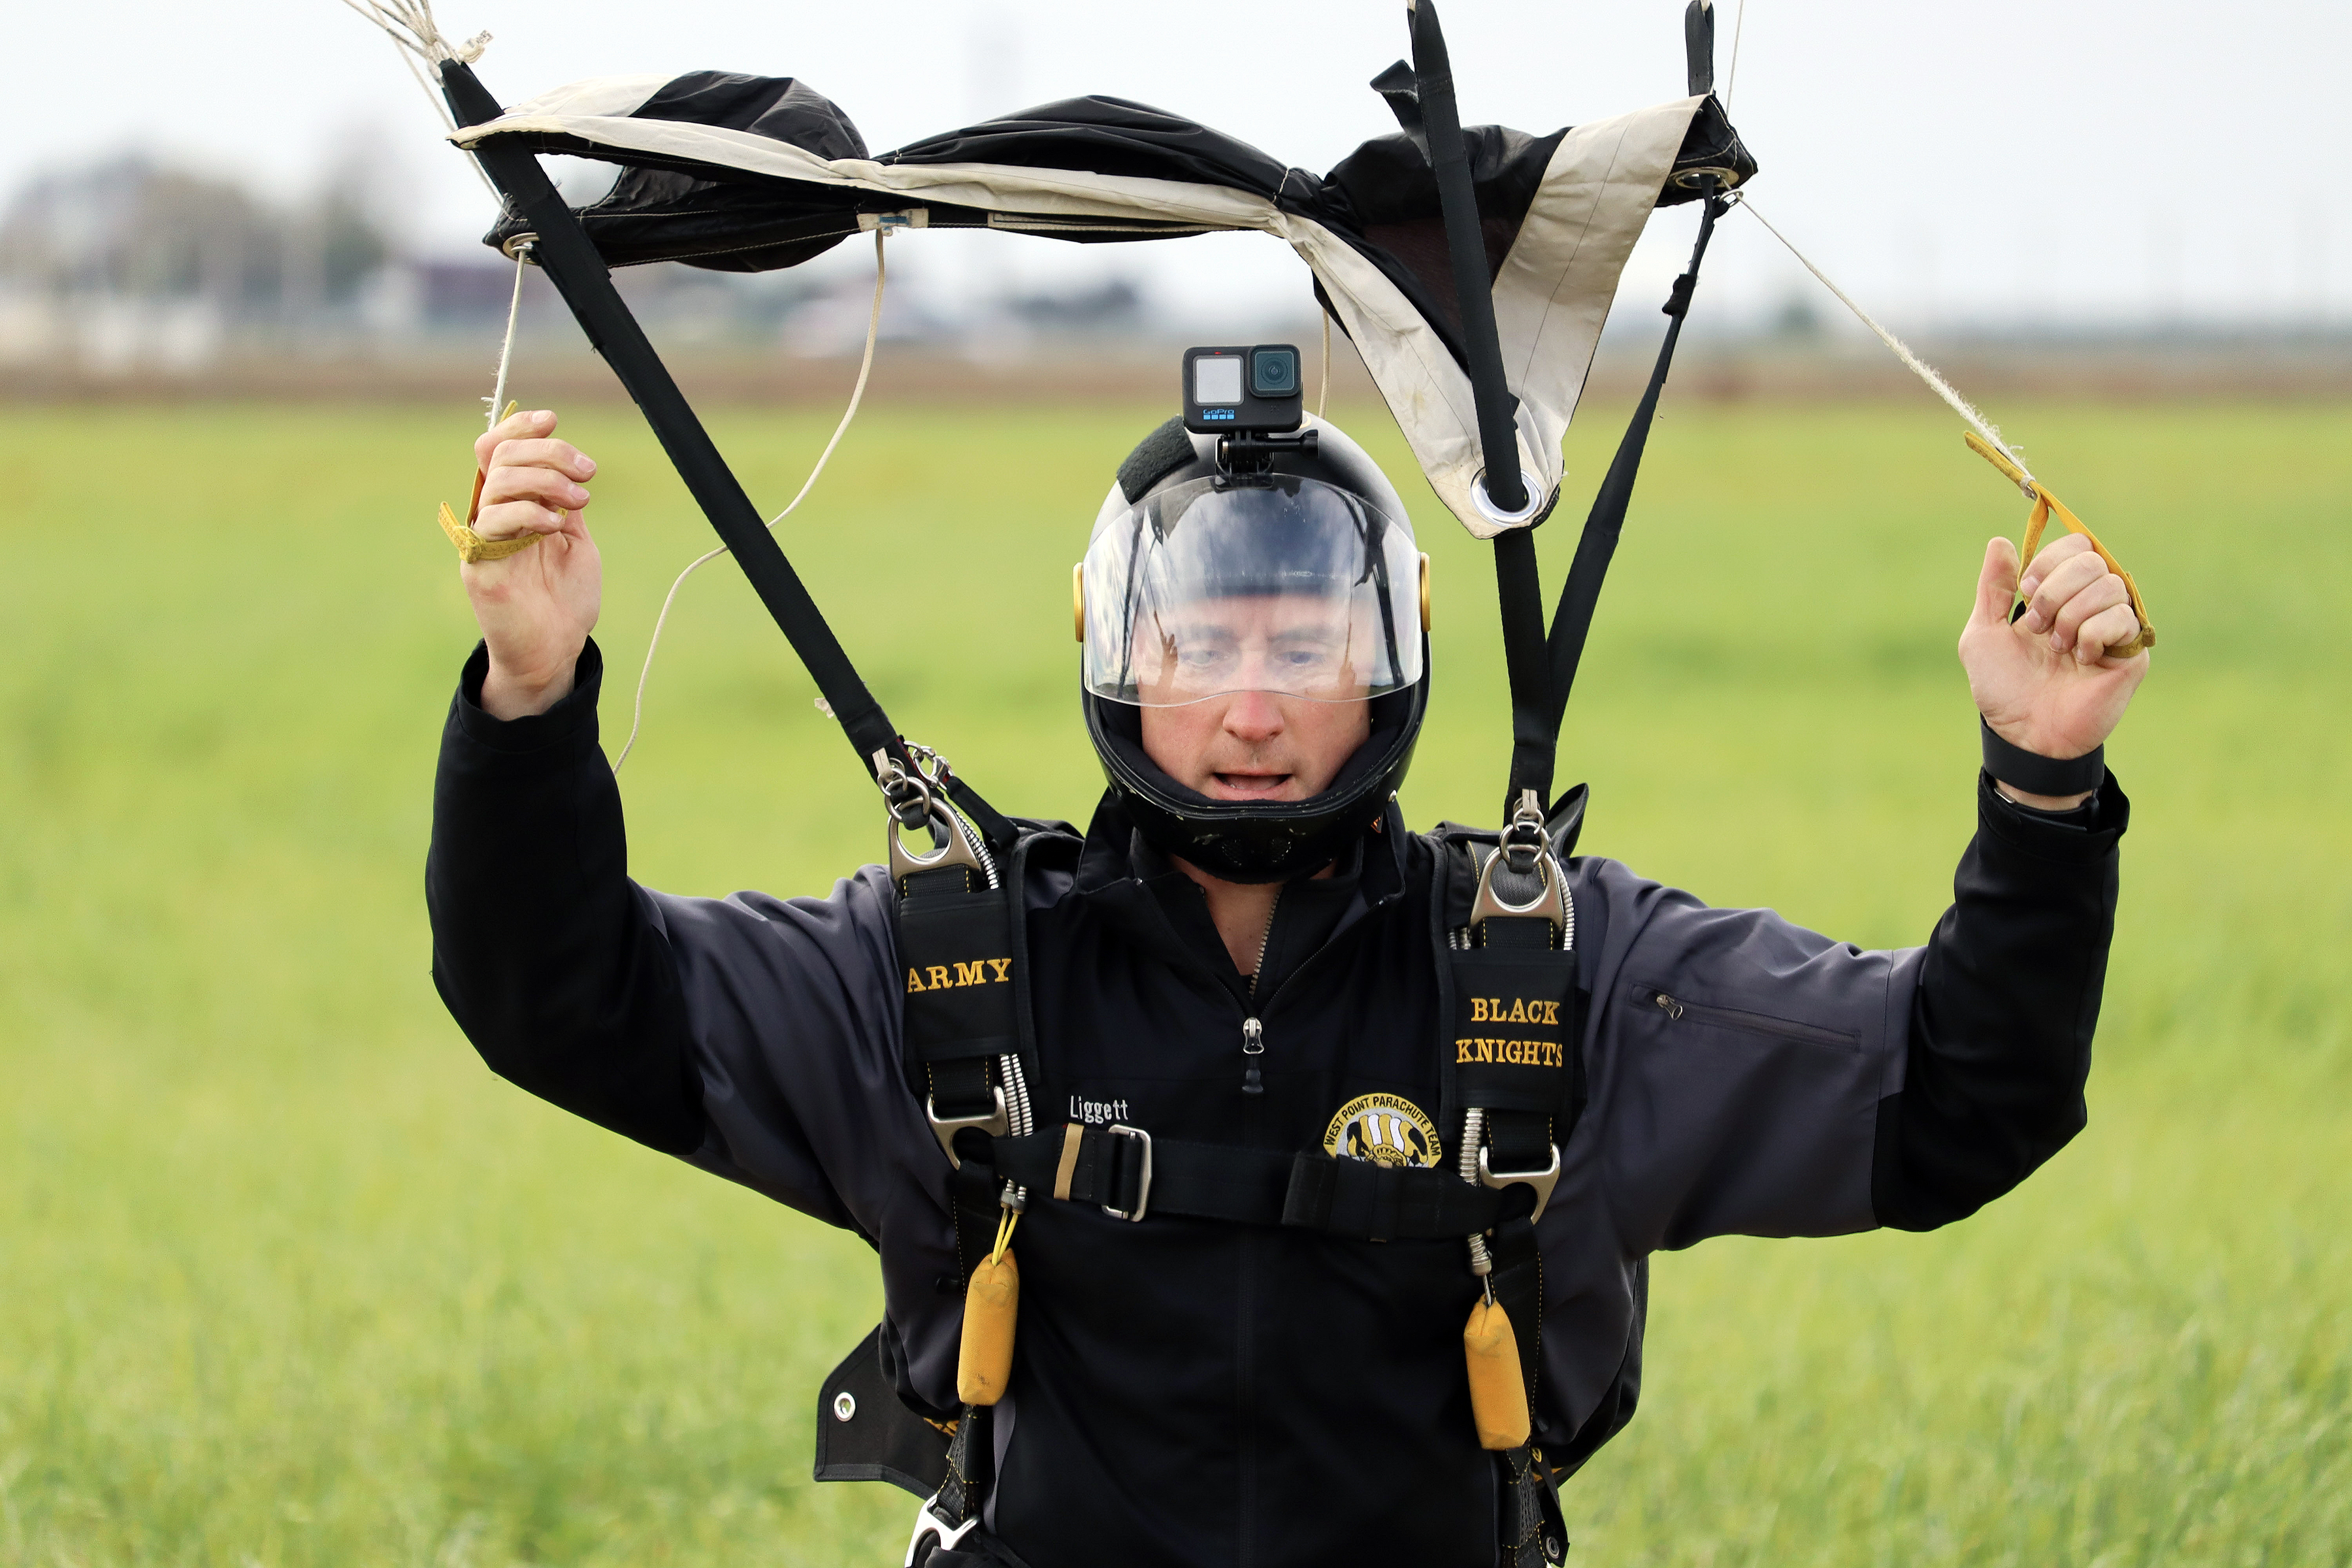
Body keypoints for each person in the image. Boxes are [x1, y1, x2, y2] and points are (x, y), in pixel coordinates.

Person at [427, 402, 2146, 1568]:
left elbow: (1950, 1102)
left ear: (1386, 654)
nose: (1253, 708)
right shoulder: (957, 966)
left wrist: (2044, 790)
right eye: (1205, 646)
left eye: (1303, 646)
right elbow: (564, 1002)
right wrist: (530, 686)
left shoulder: (1549, 971)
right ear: (1119, 651)